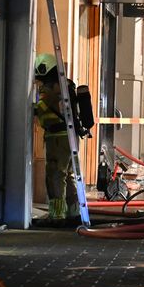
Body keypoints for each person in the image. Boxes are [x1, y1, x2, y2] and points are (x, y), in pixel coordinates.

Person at [32, 53, 81, 226]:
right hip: (71, 135)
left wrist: (32, 106)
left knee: (55, 174)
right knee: (68, 175)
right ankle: (75, 211)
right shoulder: (67, 84)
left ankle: (57, 215)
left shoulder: (50, 87)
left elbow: (41, 107)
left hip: (58, 137)